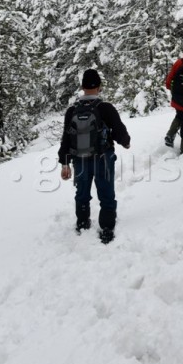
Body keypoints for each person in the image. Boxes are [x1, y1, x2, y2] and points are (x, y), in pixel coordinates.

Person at [58, 68, 131, 243]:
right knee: (106, 192)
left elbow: (66, 138)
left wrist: (65, 163)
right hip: (103, 158)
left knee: (82, 192)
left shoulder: (72, 110)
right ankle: (106, 228)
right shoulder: (105, 108)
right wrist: (125, 142)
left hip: (79, 159)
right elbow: (119, 130)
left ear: (82, 87)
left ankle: (82, 224)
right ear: (99, 86)